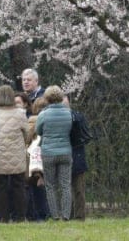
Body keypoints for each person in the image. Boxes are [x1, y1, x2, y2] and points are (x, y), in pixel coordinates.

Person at [0, 84, 31, 223]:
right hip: (17, 154)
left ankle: (2, 217)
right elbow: (27, 132)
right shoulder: (20, 113)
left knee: (0, 187)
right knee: (19, 186)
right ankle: (19, 216)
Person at [36, 85, 73, 220]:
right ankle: (66, 215)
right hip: (65, 152)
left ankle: (55, 214)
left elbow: (38, 130)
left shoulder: (43, 114)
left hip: (48, 152)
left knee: (50, 185)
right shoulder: (69, 113)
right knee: (65, 184)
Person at [66, 95, 94, 220]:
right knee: (67, 189)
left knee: (78, 189)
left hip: (76, 154)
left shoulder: (77, 117)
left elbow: (85, 136)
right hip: (68, 154)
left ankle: (79, 216)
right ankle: (69, 215)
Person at [25, 96, 49, 221]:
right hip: (44, 156)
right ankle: (44, 213)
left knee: (33, 188)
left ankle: (35, 214)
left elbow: (27, 139)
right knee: (43, 188)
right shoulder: (48, 120)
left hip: (32, 158)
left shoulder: (30, 121)